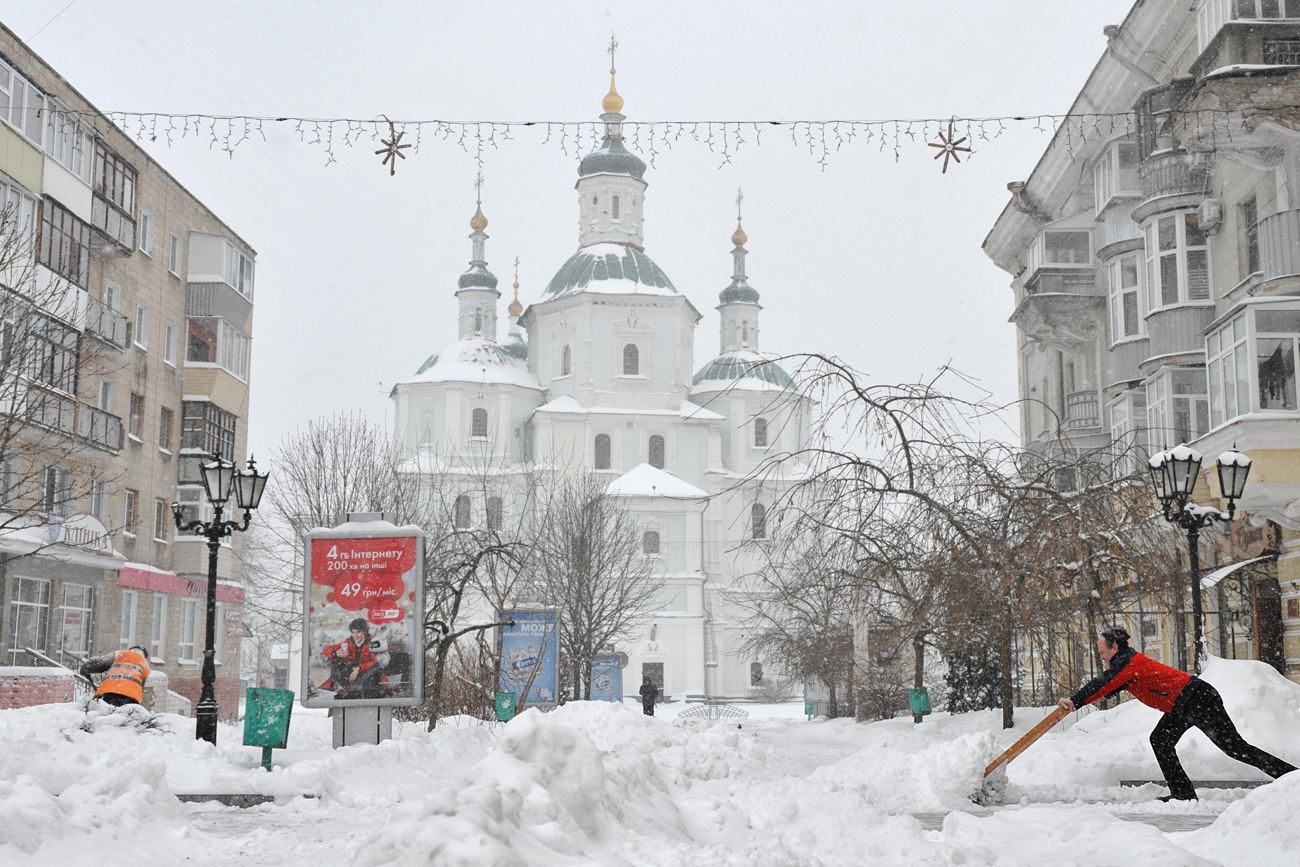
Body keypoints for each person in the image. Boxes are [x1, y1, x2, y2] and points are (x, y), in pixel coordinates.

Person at [1059, 626, 1296, 801]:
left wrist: (1075, 701)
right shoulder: (1125, 665)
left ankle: (1292, 778)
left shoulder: (1129, 665)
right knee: (1160, 740)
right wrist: (1080, 700)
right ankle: (1182, 793)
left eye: (1102, 651)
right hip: (1183, 704)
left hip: (1199, 699)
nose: (1100, 656)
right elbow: (1107, 686)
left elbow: (1103, 683)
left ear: (1114, 648)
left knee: (1235, 748)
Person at [318, 617, 394, 699]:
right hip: (350, 674)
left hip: (368, 675)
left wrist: (359, 669)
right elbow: (327, 650)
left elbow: (377, 661)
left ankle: (354, 691)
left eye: (358, 632)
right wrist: (335, 653)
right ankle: (343, 687)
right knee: (334, 659)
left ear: (364, 632)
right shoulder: (348, 642)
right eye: (353, 632)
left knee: (374, 668)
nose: (355, 635)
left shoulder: (373, 642)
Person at [79, 645, 152, 707]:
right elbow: (141, 688)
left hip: (109, 692)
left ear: (129, 650)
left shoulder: (119, 654)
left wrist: (87, 667)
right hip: (131, 698)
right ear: (145, 656)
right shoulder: (145, 664)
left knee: (105, 716)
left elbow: (100, 663)